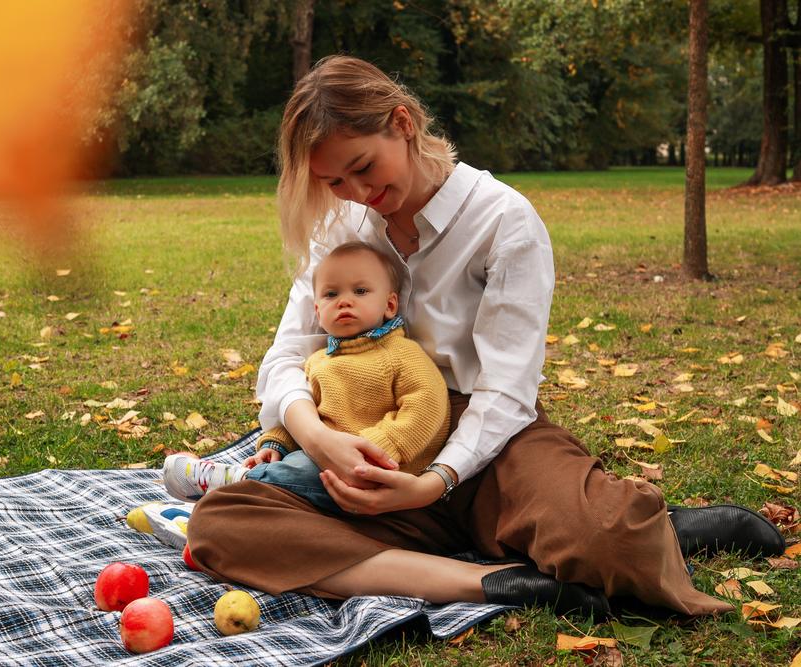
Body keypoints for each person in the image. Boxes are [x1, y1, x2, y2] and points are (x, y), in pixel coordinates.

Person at [186, 55, 784, 618]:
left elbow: (505, 393)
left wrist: (431, 483)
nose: (358, 194)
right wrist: (317, 439)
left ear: (403, 123)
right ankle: (492, 581)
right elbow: (291, 353)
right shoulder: (341, 225)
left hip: (489, 447)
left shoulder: (503, 220)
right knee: (221, 525)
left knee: (610, 544)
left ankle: (616, 519)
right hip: (366, 444)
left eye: (364, 167)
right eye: (334, 181)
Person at [163, 241, 450, 514]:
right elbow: (310, 416)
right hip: (327, 459)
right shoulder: (318, 360)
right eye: (331, 294)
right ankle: (234, 504)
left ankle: (236, 483)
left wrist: (376, 449)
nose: (344, 302)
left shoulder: (400, 353)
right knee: (297, 474)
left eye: (360, 291)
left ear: (389, 305)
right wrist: (276, 442)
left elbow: (428, 404)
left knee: (303, 471)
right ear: (317, 310)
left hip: (381, 469)